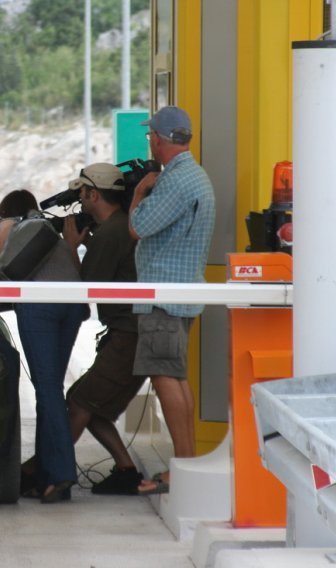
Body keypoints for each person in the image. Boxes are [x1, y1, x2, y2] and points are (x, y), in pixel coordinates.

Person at [128, 106, 216, 495]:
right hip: (181, 292)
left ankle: (182, 466)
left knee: (165, 375)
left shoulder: (176, 182)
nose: (150, 141)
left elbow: (139, 227)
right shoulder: (196, 177)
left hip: (163, 295)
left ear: (160, 140)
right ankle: (187, 462)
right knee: (176, 375)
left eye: (151, 136)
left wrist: (139, 193)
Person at [0, 189, 88, 503]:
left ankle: (61, 474)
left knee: (47, 389)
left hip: (40, 307)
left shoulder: (8, 226)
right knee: (52, 389)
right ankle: (44, 478)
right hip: (71, 304)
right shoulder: (48, 227)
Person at [60, 162, 146, 495]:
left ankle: (51, 467)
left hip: (128, 336)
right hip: (127, 334)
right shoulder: (117, 228)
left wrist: (71, 247)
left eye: (81, 193)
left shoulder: (112, 232)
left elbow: (88, 287)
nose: (79, 200)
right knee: (91, 406)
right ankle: (126, 470)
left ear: (94, 194)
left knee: (80, 401)